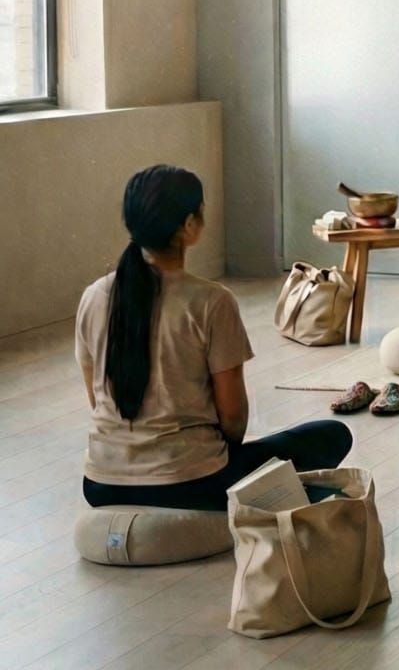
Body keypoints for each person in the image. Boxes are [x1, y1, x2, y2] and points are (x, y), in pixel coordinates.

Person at [77, 165, 351, 510]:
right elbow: (233, 419)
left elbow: (96, 397)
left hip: (101, 485)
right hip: (191, 485)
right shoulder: (211, 301)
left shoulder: (94, 296)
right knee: (332, 436)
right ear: (189, 225)